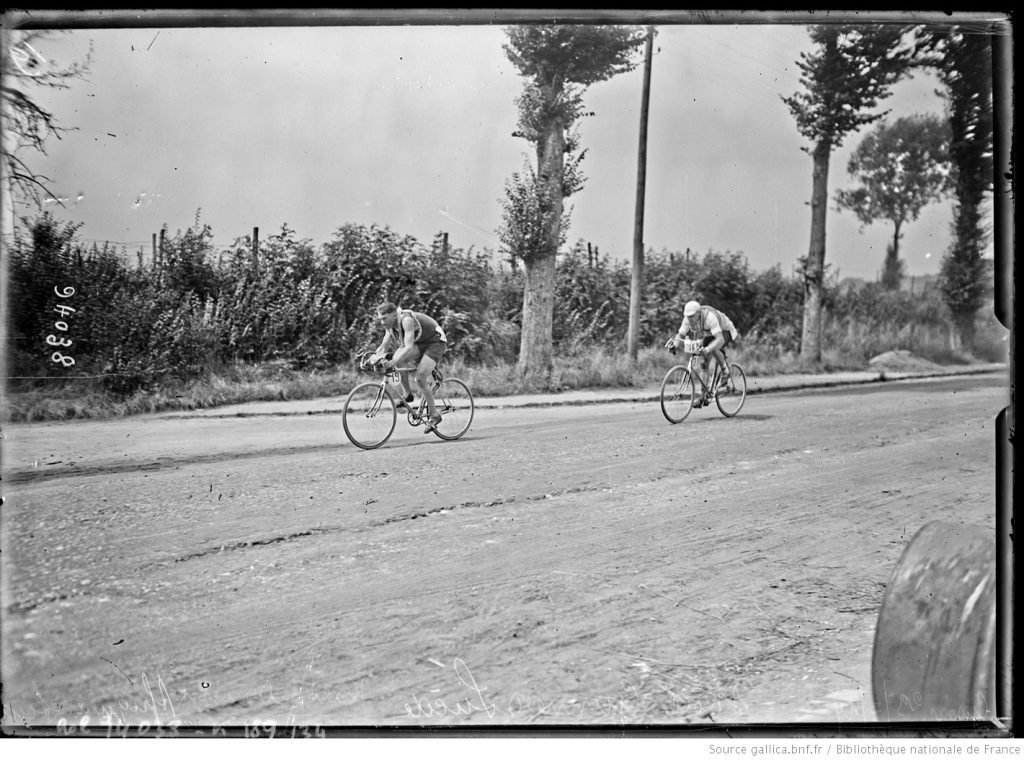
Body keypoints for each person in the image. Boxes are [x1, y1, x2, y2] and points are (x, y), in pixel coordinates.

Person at [370, 302, 448, 432]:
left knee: (420, 378)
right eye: (380, 319)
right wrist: (372, 359)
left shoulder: (406, 320)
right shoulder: (390, 327)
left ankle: (435, 416)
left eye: (384, 318)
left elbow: (408, 347)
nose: (382, 322)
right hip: (422, 342)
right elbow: (383, 347)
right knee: (399, 359)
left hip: (435, 342)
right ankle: (407, 395)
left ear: (394, 315)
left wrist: (392, 362)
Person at [664, 300, 740, 408]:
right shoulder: (687, 319)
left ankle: (725, 371)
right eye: (687, 316)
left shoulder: (710, 318)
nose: (689, 319)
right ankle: (703, 396)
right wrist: (675, 345)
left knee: (712, 348)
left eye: (692, 316)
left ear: (699, 314)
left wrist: (708, 349)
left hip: (725, 331)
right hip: (710, 332)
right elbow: (680, 335)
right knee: (704, 364)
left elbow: (720, 339)